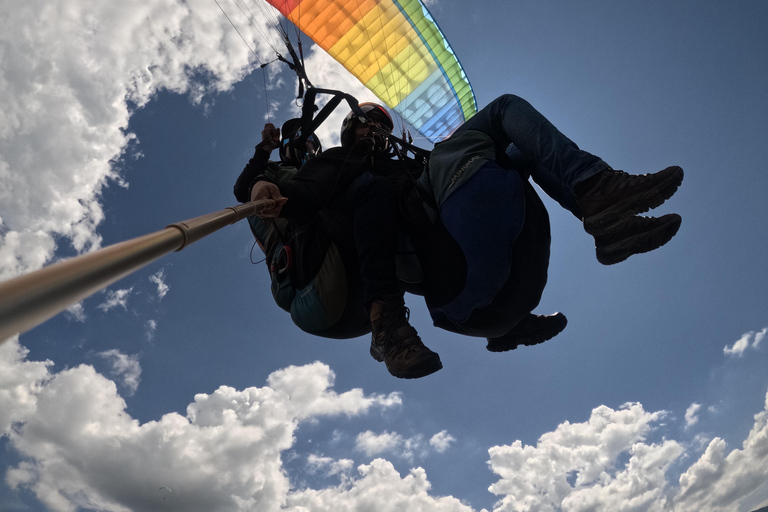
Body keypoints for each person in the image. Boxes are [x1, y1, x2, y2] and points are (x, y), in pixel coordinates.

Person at [249, 95, 683, 379]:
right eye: (365, 125)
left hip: (484, 300)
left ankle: (603, 217)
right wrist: (266, 183)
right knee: (501, 111)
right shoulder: (343, 164)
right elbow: (308, 191)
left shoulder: (404, 167)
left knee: (513, 150)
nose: (374, 130)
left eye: (379, 124)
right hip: (452, 279)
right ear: (351, 133)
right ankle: (388, 323)